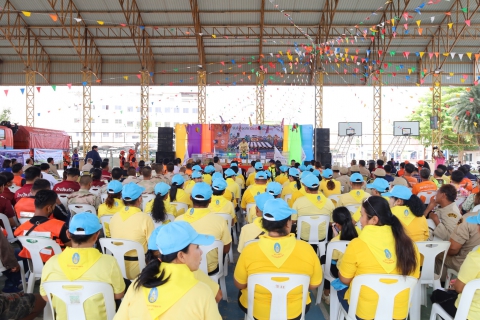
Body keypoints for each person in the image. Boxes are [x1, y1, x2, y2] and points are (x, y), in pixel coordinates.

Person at [234, 198, 322, 319]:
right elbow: (314, 284)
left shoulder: (249, 249)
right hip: (294, 311)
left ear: (264, 223)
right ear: (288, 223)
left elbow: (240, 284)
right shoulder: (307, 249)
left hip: (257, 310)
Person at [115, 221, 222, 319]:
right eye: (197, 247)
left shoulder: (137, 284)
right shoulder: (202, 293)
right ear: (181, 256)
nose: (201, 252)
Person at [337, 196, 420, 319]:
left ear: (374, 220)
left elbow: (344, 279)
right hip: (397, 313)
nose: (360, 220)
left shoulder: (357, 244)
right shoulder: (410, 246)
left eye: (362, 215)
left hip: (365, 313)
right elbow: (414, 277)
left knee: (340, 289)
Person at [40, 212, 125, 318]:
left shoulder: (51, 263)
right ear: (97, 235)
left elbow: (46, 297)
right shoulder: (109, 262)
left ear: (68, 234)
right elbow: (119, 294)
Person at [430, 210, 480, 318]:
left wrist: (457, 284)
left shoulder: (475, 257)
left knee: (436, 295)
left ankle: (442, 282)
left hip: (469, 313)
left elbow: (459, 288)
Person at [175, 182, 232, 274]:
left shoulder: (177, 221)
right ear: (210, 200)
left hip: (184, 269)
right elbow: (226, 249)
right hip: (211, 268)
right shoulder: (220, 221)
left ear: (190, 198)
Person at [109, 183, 155, 279]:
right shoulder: (145, 218)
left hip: (117, 267)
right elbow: (153, 245)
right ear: (139, 199)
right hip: (139, 269)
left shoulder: (114, 217)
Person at [14, 190, 71, 262]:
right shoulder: (60, 226)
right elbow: (73, 246)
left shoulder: (20, 229)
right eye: (54, 206)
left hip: (34, 268)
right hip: (57, 267)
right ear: (49, 208)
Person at [292, 174, 335, 241]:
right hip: (322, 237)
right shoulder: (329, 202)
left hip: (303, 237)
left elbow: (293, 220)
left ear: (306, 188)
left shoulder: (298, 202)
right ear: (318, 186)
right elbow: (331, 222)